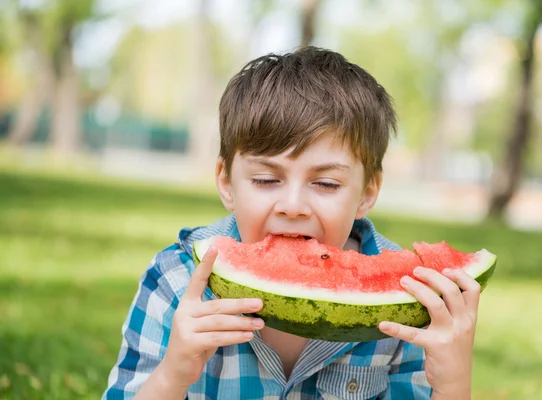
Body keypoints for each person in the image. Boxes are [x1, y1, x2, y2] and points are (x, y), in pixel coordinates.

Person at [102, 46, 481, 400]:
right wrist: (172, 375)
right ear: (226, 182)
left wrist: (453, 384)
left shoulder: (412, 297)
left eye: (326, 183)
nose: (293, 205)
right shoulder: (173, 282)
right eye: (267, 180)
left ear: (367, 192)